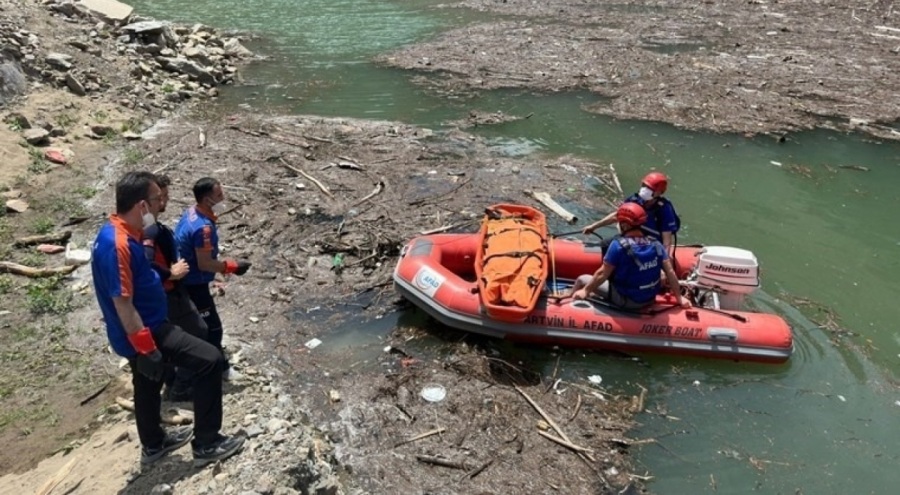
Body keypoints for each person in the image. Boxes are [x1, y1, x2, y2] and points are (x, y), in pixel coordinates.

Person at [91, 171, 244, 467]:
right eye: (156, 200)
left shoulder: (120, 233)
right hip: (145, 330)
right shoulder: (118, 244)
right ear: (141, 206)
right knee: (210, 359)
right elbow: (122, 302)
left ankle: (154, 444)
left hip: (141, 328)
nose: (161, 204)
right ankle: (207, 444)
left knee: (147, 383)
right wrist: (147, 348)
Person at [175, 177, 251, 380]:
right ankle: (219, 369)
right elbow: (204, 262)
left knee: (197, 325)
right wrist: (231, 266)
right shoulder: (203, 229)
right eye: (219, 195)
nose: (223, 197)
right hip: (194, 282)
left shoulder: (191, 213)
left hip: (186, 278)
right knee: (212, 328)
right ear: (207, 199)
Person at [143, 174, 208, 402]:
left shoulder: (149, 226)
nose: (165, 202)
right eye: (162, 197)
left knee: (171, 337)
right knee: (198, 332)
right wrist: (171, 273)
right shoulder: (149, 231)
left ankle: (171, 379)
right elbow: (146, 262)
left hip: (166, 291)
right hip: (169, 292)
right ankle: (181, 385)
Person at [571, 203, 691, 310]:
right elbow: (670, 272)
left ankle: (569, 304)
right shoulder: (656, 244)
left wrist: (585, 291)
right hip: (649, 299)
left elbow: (602, 274)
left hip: (626, 301)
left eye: (619, 222)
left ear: (625, 226)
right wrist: (679, 298)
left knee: (582, 279)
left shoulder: (617, 245)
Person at [583, 171, 681, 250]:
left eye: (649, 188)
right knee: (606, 244)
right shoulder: (635, 199)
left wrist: (664, 262)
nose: (645, 190)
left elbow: (667, 239)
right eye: (644, 186)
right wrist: (593, 227)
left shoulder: (664, 209)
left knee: (610, 245)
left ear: (659, 192)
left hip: (651, 244)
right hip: (634, 237)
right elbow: (617, 215)